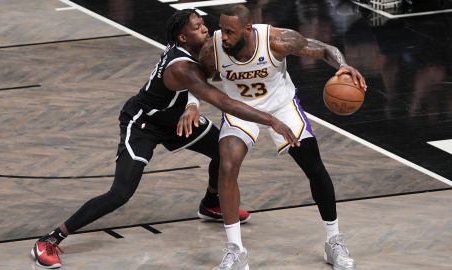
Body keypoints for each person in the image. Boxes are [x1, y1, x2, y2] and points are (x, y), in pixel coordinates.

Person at [30, 9, 298, 269]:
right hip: (143, 123)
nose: (206, 28)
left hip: (175, 120)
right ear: (182, 38)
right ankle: (51, 239)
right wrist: (271, 119)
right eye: (197, 27)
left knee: (222, 151)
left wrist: (192, 107)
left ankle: (211, 203)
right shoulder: (181, 66)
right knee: (120, 193)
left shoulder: (201, 50)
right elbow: (223, 100)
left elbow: (211, 75)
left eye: (204, 23)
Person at [194, 4, 367, 270]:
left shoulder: (276, 40)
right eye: (222, 30)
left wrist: (343, 65)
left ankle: (334, 241)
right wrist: (192, 105)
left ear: (248, 30)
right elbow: (197, 77)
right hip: (240, 111)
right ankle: (235, 251)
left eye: (230, 32)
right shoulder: (213, 48)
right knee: (227, 167)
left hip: (281, 107)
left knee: (314, 166)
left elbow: (323, 49)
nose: (224, 37)